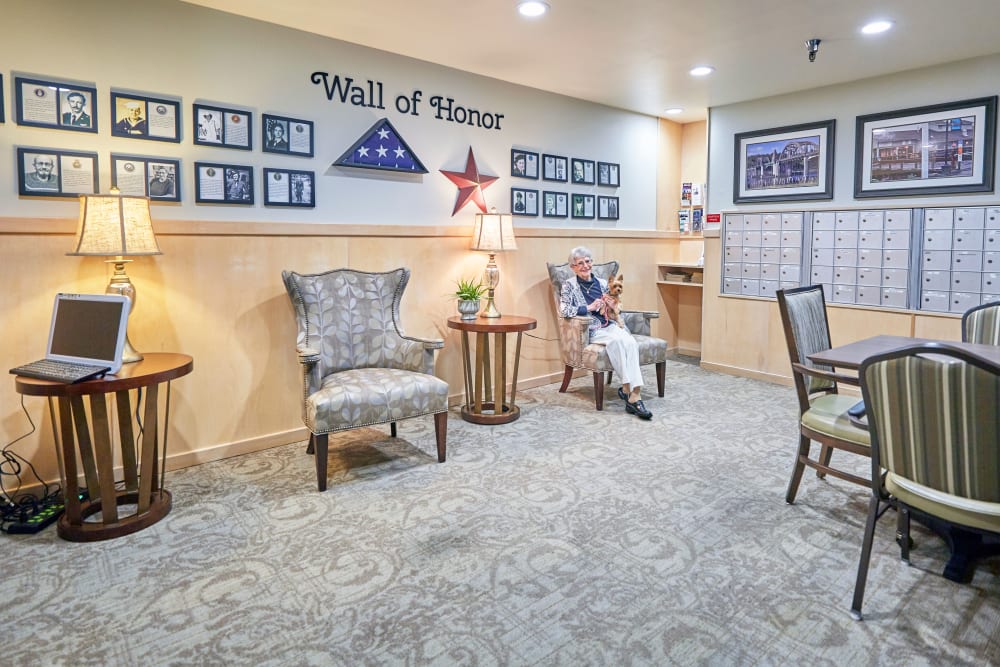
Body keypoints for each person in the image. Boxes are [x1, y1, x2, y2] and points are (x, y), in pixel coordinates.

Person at [558, 246, 652, 419]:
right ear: (573, 267)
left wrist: (612, 306)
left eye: (587, 261)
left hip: (610, 324)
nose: (585, 266)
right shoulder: (568, 286)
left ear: (592, 262)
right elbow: (563, 310)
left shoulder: (602, 283)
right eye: (580, 263)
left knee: (629, 342)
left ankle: (631, 390)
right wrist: (588, 307)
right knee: (615, 343)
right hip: (591, 328)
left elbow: (616, 303)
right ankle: (632, 394)